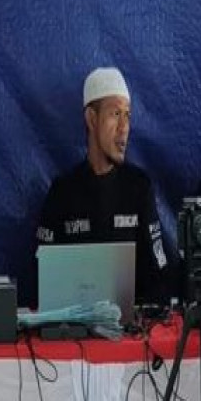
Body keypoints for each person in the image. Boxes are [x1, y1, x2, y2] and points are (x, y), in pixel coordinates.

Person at [36, 67, 177, 303]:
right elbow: (44, 276)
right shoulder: (62, 192)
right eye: (115, 114)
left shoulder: (139, 187)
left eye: (127, 115)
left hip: (130, 324)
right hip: (75, 322)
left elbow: (158, 273)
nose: (124, 128)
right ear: (92, 119)